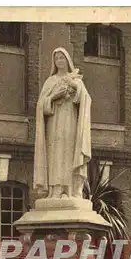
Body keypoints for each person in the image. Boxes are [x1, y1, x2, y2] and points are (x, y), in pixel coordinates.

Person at [34, 47, 91, 199]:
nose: (59, 61)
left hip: (71, 122)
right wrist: (53, 97)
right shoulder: (50, 81)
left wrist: (73, 85)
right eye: (57, 58)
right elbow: (40, 106)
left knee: (69, 152)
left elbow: (86, 99)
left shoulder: (76, 79)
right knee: (56, 154)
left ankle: (70, 189)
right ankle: (56, 189)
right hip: (54, 123)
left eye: (62, 57)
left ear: (67, 60)